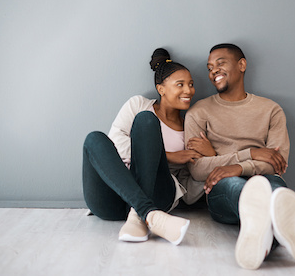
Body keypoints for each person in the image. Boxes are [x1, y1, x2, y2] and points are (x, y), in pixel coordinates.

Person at [185, 43, 295, 268]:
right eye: (209, 67)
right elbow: (197, 169)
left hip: (263, 178)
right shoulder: (199, 112)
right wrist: (252, 154)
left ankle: (263, 236)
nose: (213, 70)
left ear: (242, 65)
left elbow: (277, 164)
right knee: (234, 185)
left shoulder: (271, 110)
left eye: (220, 63)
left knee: (273, 187)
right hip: (222, 188)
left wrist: (237, 166)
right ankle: (278, 228)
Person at [82, 48, 208, 245]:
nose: (189, 91)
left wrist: (211, 156)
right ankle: (149, 215)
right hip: (113, 200)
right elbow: (114, 143)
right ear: (161, 88)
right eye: (180, 84)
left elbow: (190, 180)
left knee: (147, 122)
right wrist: (168, 156)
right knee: (94, 138)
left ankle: (140, 212)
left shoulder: (190, 127)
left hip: (157, 193)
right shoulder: (138, 104)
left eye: (191, 85)